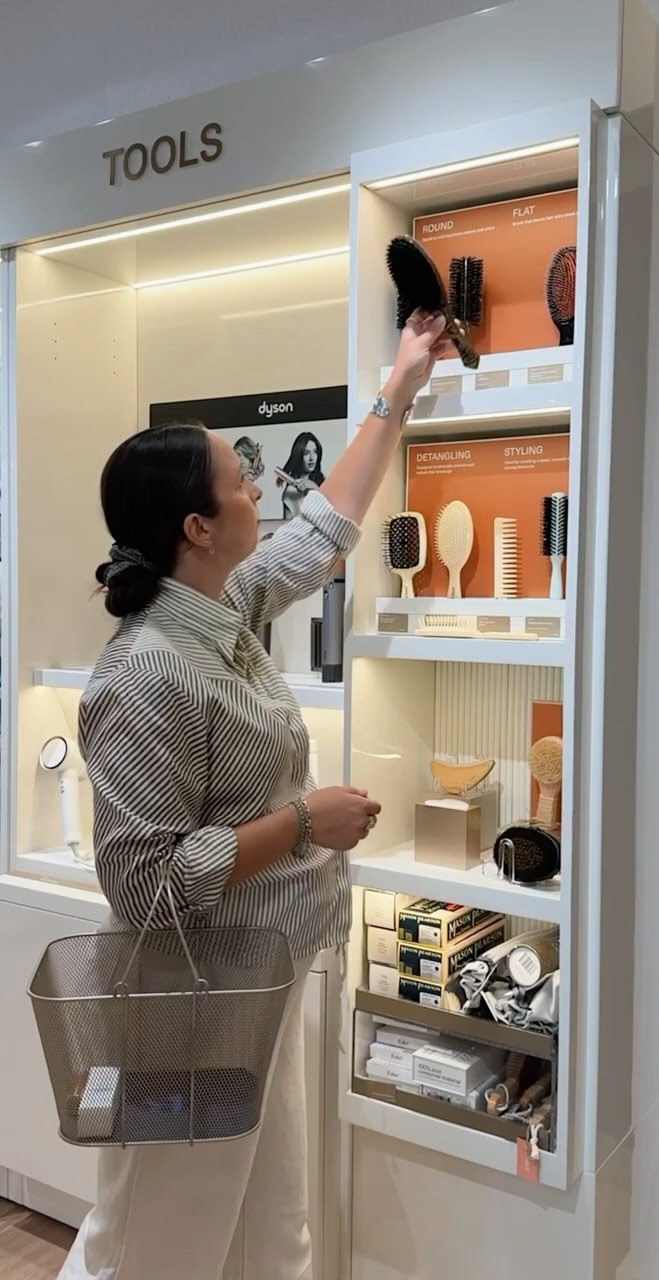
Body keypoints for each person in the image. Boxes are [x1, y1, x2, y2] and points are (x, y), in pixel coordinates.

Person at [58, 311, 448, 1280]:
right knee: (150, 1246)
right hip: (189, 1002)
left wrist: (397, 390)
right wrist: (304, 821)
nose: (261, 492)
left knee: (273, 1239)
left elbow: (323, 531)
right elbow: (146, 885)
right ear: (198, 527)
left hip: (263, 975)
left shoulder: (221, 609)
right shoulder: (145, 672)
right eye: (241, 482)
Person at [276, 430, 325, 520]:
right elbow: (288, 526)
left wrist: (314, 486)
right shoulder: (291, 492)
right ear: (298, 455)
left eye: (315, 452)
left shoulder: (321, 481)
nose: (312, 458)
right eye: (306, 453)